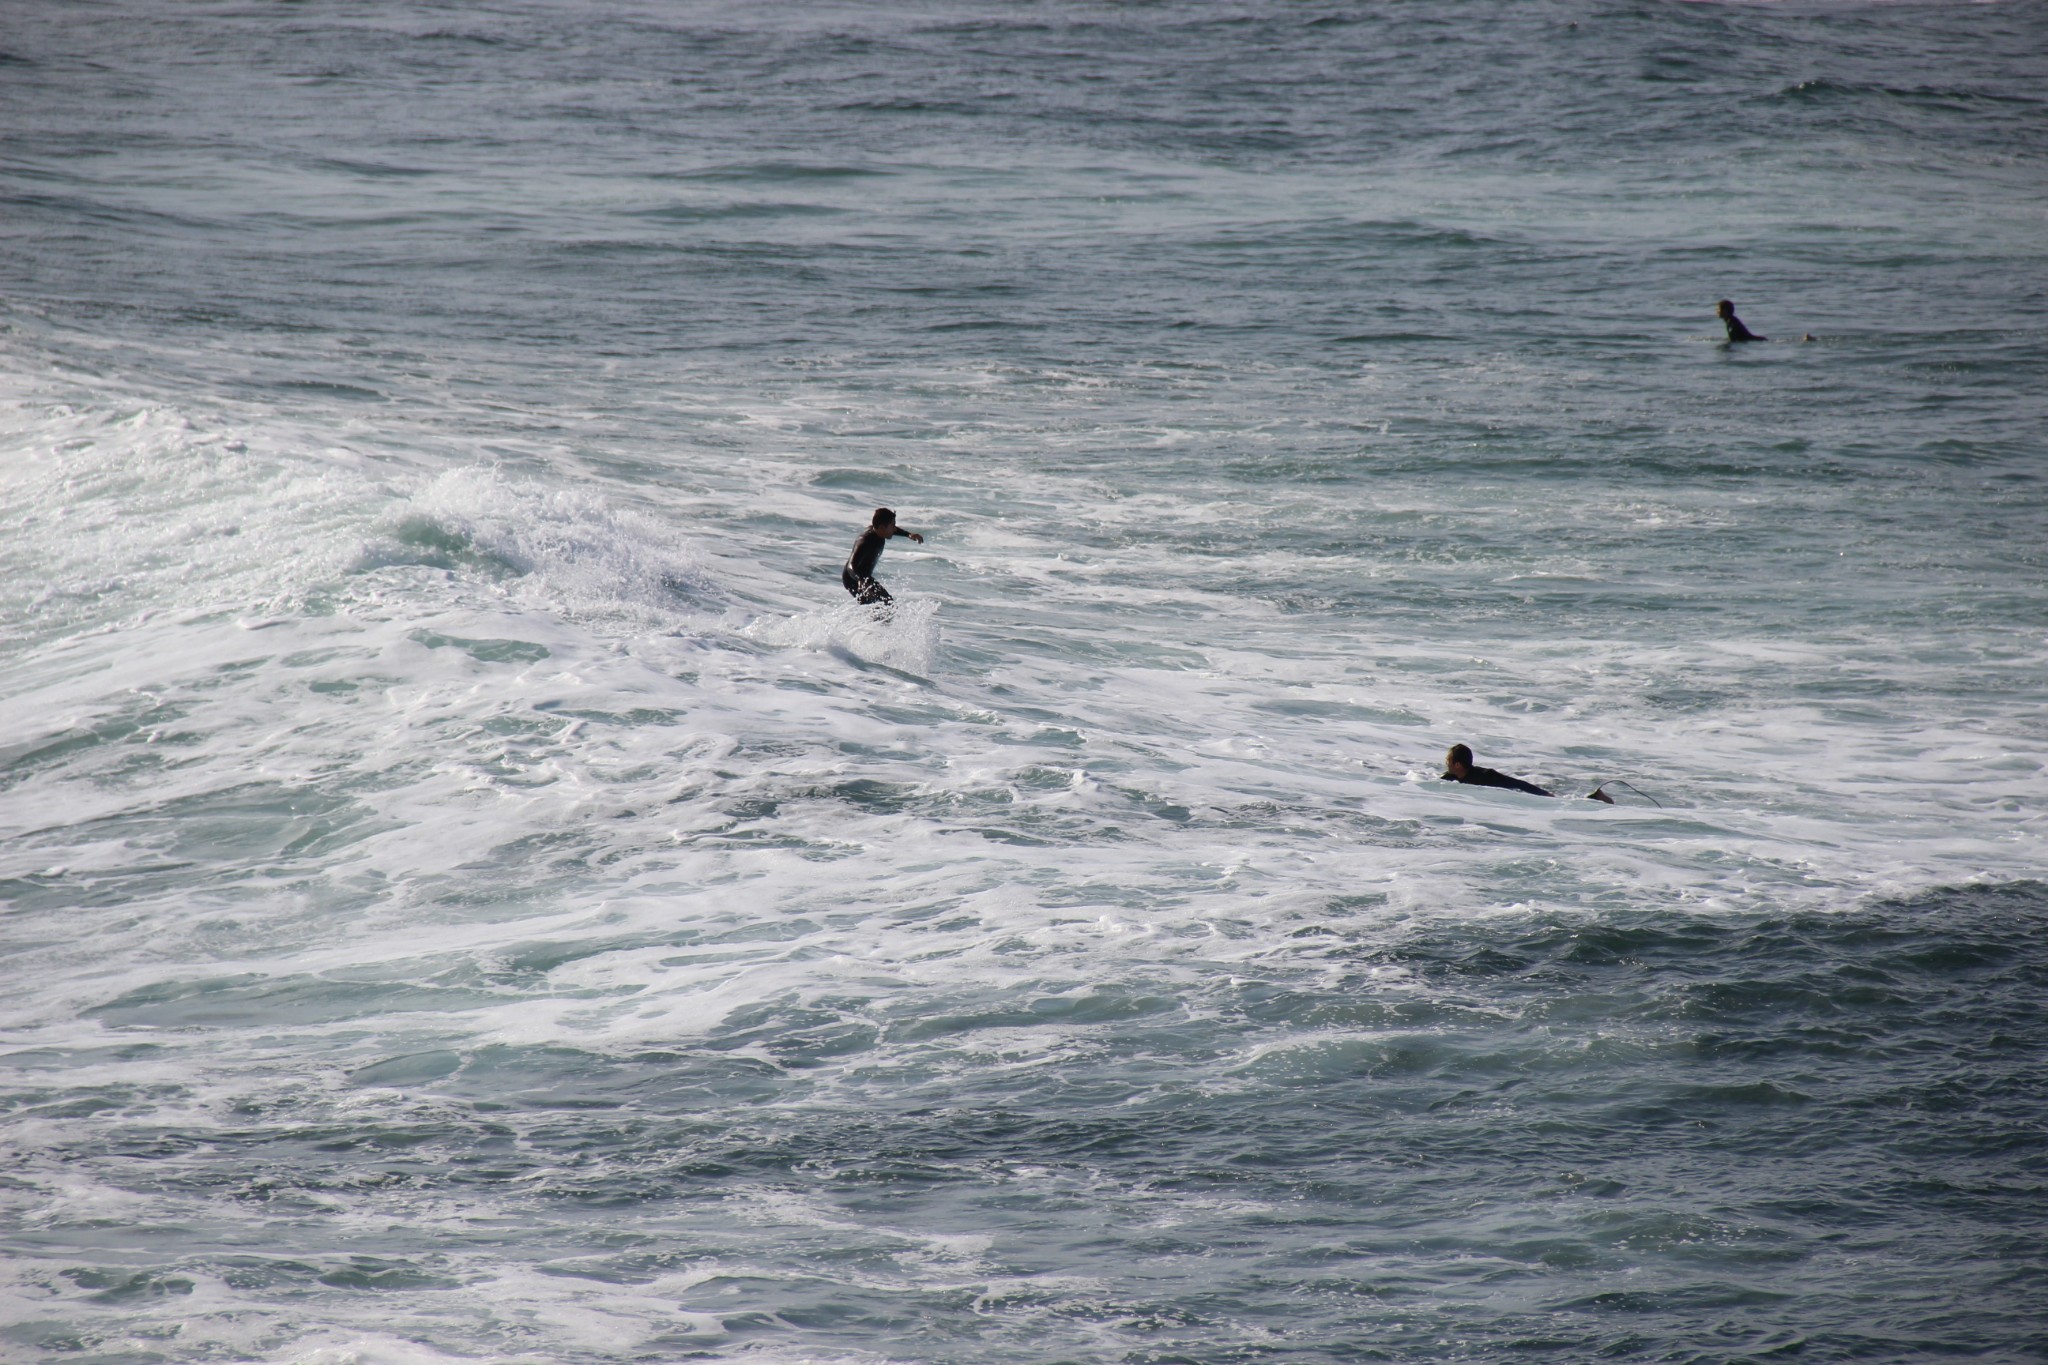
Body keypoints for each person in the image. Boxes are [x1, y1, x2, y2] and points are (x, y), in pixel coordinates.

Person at [1441, 744, 1615, 803]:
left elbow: (1516, 784)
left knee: (1559, 802)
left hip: (1520, 794)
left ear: (1458, 764)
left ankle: (1594, 797)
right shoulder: (1452, 777)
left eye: (1448, 761)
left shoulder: (1484, 776)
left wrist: (1543, 793)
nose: (1446, 763)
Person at [842, 506, 923, 605]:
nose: (894, 529)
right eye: (892, 526)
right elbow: (851, 566)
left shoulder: (879, 531)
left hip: (864, 578)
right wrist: (861, 580)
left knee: (883, 606)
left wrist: (908, 534)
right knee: (886, 605)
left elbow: (894, 529)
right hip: (854, 580)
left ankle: (870, 620)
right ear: (881, 527)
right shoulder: (865, 541)